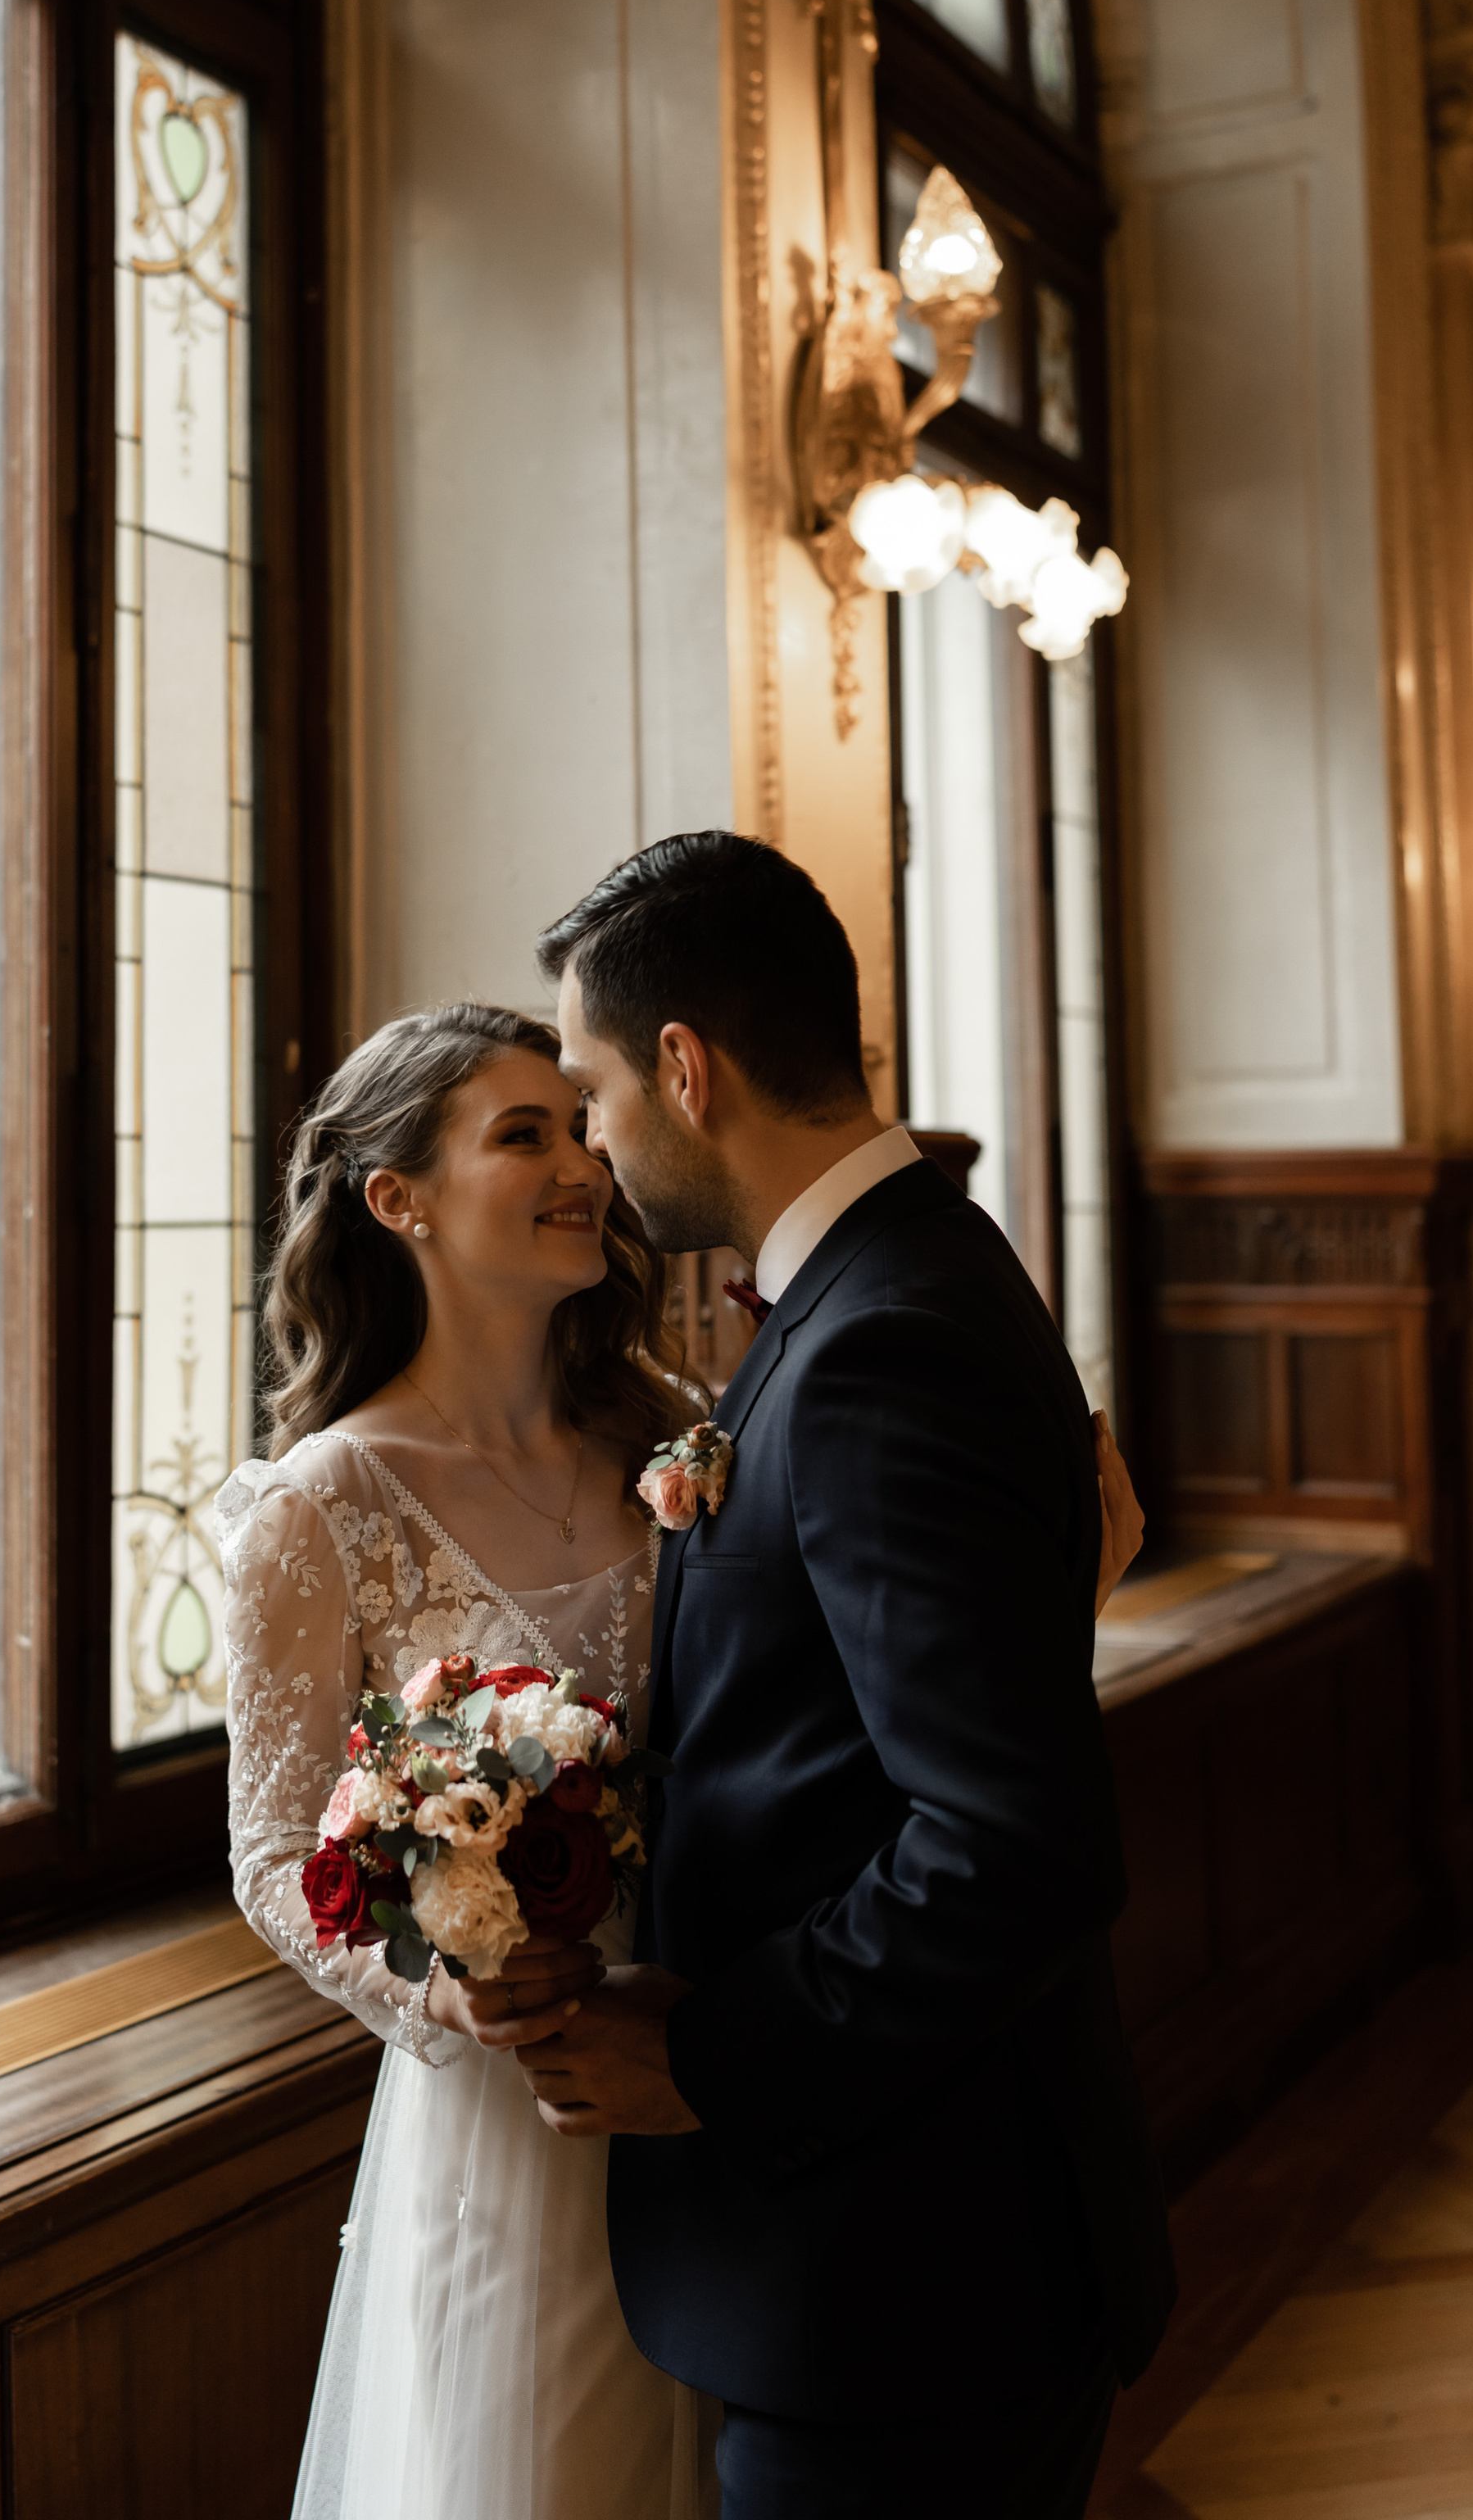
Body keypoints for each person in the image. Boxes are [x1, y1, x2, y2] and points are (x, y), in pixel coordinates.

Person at [220, 984, 1150, 2520]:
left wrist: (1056, 1599)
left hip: (750, 2072)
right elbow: (270, 1853)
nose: (586, 1161)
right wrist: (449, 1980)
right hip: (536, 2106)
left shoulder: (673, 1431)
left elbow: (843, 1700)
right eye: (526, 1134)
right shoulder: (319, 1508)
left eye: (586, 1122)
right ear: (399, 1201)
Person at [514, 832, 1176, 2519]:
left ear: (683, 1066)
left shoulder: (879, 1338)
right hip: (902, 2248)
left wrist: (714, 2056)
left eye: (589, 1088)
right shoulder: (899, 1279)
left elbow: (1010, 1845)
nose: (592, 1142)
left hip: (907, 2273)